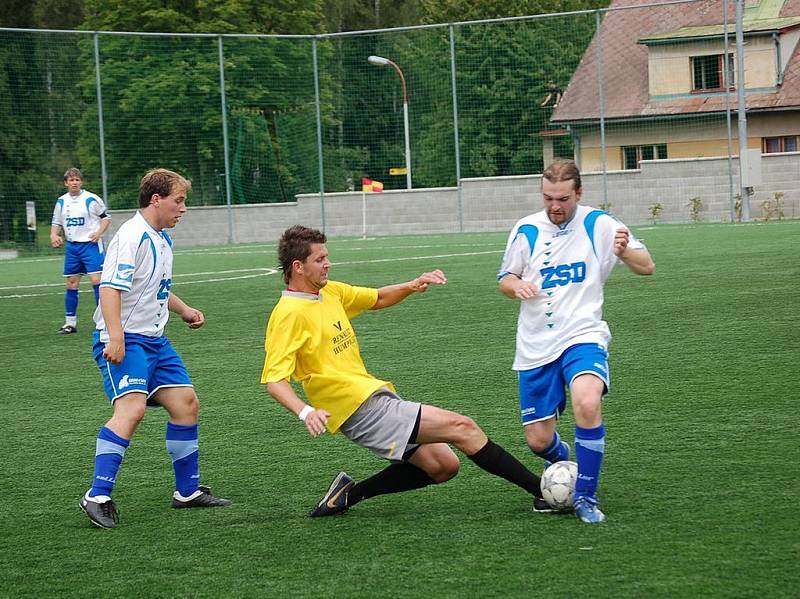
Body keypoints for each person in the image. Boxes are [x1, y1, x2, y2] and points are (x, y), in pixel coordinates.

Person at [262, 225, 551, 518]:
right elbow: (274, 380)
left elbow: (378, 298)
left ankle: (347, 494)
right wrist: (306, 412)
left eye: (327, 256)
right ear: (298, 267)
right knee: (463, 427)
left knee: (443, 467)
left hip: (372, 395)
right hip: (354, 408)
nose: (328, 264)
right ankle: (543, 491)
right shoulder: (288, 314)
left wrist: (412, 285)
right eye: (320, 259)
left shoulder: (329, 292)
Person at [498, 159, 654, 524]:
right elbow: (505, 276)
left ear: (578, 194)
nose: (555, 206)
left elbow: (647, 265)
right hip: (535, 344)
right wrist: (515, 285)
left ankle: (585, 495)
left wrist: (624, 252)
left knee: (587, 402)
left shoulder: (599, 224)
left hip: (583, 334)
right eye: (548, 197)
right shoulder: (526, 229)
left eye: (563, 199)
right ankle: (564, 457)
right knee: (538, 441)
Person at [79, 168, 231, 529]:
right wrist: (115, 337)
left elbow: (154, 287)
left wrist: (184, 310)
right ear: (156, 200)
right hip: (127, 340)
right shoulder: (131, 236)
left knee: (186, 403)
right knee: (131, 411)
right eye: (179, 201)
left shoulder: (161, 237)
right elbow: (109, 289)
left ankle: (187, 492)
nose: (183, 209)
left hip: (154, 341)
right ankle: (97, 495)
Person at [50, 168, 111, 335]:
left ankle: (104, 320)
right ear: (66, 183)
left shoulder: (91, 199)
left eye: (77, 180)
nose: (74, 183)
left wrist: (98, 233)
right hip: (73, 248)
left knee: (96, 280)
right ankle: (70, 323)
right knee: (71, 283)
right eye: (71, 180)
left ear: (81, 182)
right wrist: (54, 234)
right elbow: (56, 222)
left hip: (90, 246)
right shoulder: (61, 202)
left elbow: (106, 218)